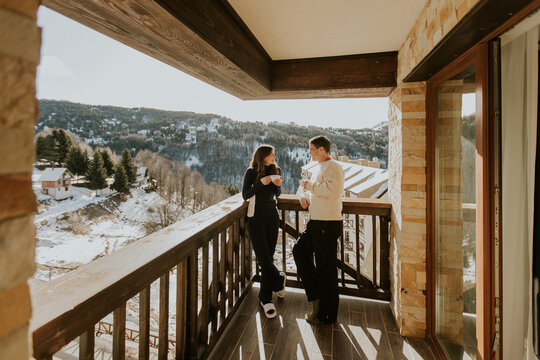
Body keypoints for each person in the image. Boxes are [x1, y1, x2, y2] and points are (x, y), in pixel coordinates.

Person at [293, 136, 344, 325]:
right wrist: (303, 197)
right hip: (316, 222)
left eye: (312, 149)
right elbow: (311, 191)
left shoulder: (334, 168)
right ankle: (315, 297)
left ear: (322, 150)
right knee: (299, 251)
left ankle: (328, 313)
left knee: (326, 268)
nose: (310, 152)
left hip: (327, 223)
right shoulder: (318, 168)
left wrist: (310, 187)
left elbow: (333, 191)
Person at [242, 144, 286, 318]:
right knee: (264, 258)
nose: (275, 157)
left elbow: (277, 194)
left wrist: (278, 185)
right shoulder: (251, 172)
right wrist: (260, 183)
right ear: (263, 156)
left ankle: (265, 298)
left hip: (272, 218)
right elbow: (246, 195)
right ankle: (279, 279)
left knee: (268, 257)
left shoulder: (276, 169)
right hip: (256, 219)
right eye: (272, 155)